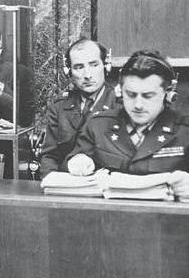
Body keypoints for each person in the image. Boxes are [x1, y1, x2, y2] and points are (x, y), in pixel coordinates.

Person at [67, 50, 189, 199]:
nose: (138, 105)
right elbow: (72, 161)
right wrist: (78, 162)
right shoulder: (99, 125)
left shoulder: (184, 131)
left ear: (168, 94)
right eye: (131, 95)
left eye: (148, 96)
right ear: (119, 92)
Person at [39, 38, 119, 176]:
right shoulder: (59, 107)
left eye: (94, 65)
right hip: (67, 183)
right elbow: (49, 156)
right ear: (69, 71)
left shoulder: (119, 104)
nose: (87, 75)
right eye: (79, 67)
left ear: (106, 66)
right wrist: (51, 181)